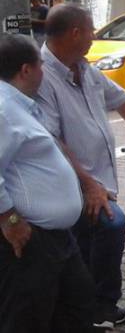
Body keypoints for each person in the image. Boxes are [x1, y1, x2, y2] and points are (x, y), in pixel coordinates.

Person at [36, 4, 125, 328]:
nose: (95, 36)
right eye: (91, 29)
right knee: (110, 226)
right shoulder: (42, 75)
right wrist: (88, 184)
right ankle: (97, 305)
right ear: (75, 33)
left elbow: (121, 98)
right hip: (72, 181)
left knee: (87, 239)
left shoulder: (84, 68)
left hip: (98, 180)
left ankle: (87, 304)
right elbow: (51, 139)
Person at [0, 34, 99, 333]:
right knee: (26, 318)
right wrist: (10, 218)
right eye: (40, 64)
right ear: (26, 70)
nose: (44, 71)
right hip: (31, 239)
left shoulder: (21, 106)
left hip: (55, 237)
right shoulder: (4, 110)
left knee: (77, 305)